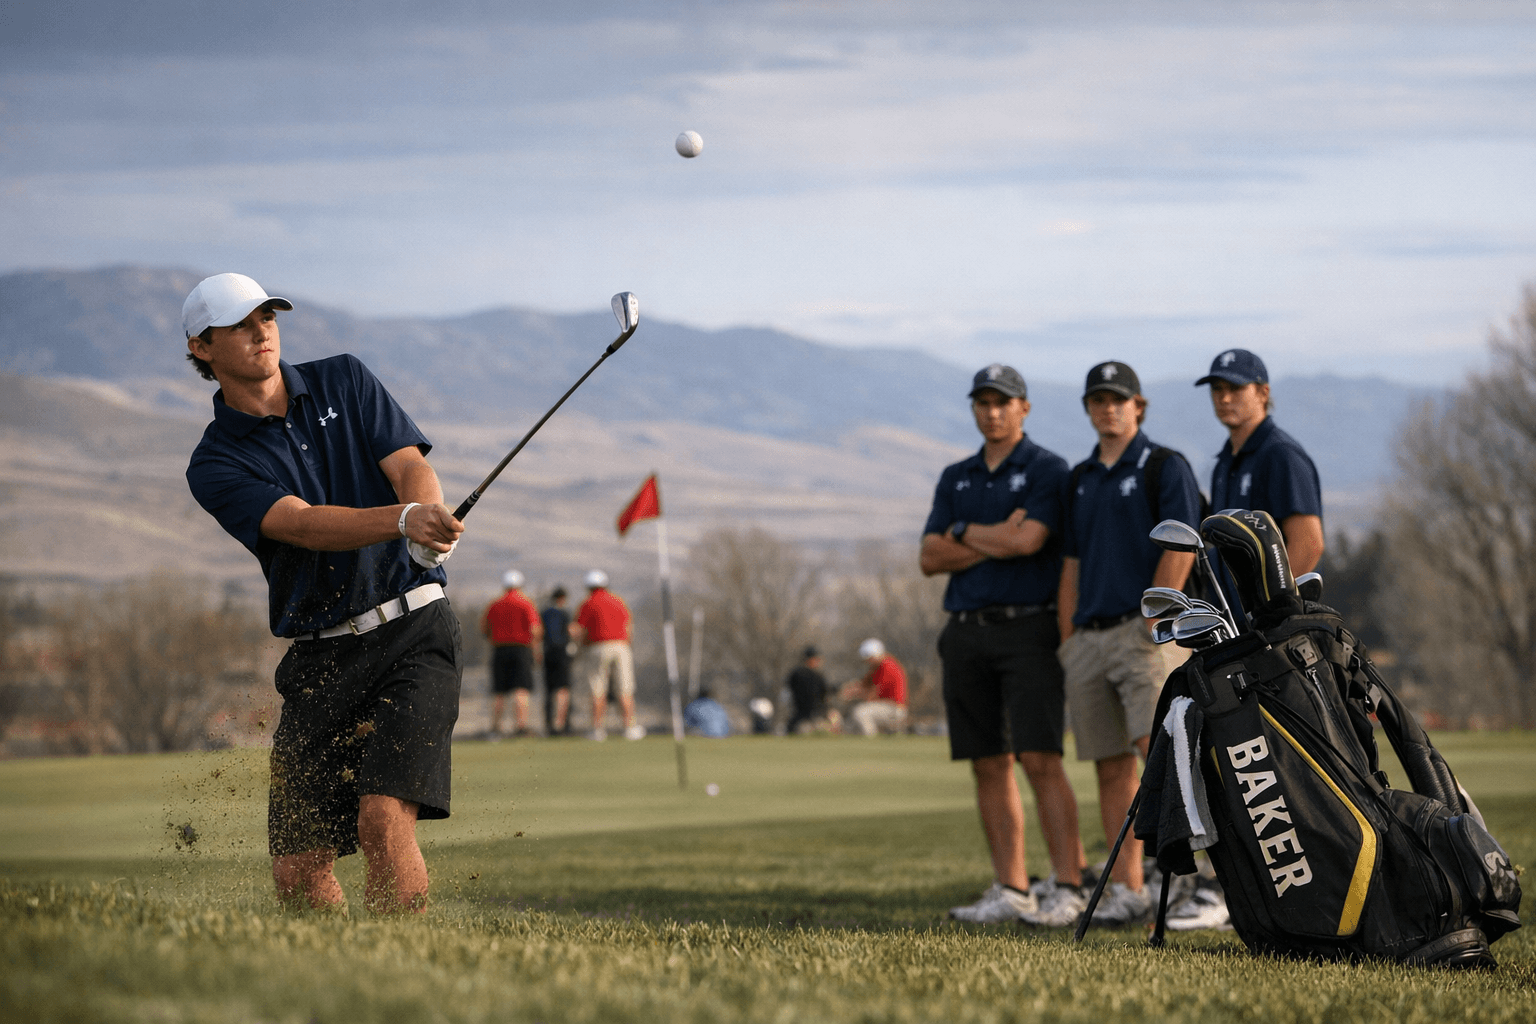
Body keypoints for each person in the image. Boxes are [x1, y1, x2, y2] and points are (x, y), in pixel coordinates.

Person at [182, 273, 463, 914]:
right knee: (297, 868)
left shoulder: (344, 377)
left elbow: (410, 464)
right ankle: (333, 985)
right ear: (202, 347)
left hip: (412, 632)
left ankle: (403, 980)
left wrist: (425, 512)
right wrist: (399, 522)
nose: (262, 332)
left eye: (269, 317)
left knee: (383, 819)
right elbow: (301, 524)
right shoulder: (215, 463)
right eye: (241, 324)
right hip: (320, 658)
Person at [920, 363, 1087, 926]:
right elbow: (929, 558)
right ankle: (1013, 889)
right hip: (966, 630)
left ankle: (1068, 884)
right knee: (986, 763)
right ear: (974, 409)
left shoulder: (1047, 470)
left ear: (1025, 408)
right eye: (983, 403)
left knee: (1040, 757)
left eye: (1003, 402)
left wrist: (964, 533)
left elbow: (1031, 540)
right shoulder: (956, 476)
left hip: (1029, 630)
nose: (993, 411)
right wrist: (989, 538)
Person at [1056, 360, 1203, 927]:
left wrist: (1156, 617)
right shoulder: (1080, 477)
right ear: (1089, 408)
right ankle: (1130, 890)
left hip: (1142, 636)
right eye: (1098, 399)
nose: (1107, 408)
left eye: (1118, 399)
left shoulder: (1163, 464)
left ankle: (1207, 885)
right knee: (1110, 768)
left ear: (1138, 406)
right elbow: (1071, 561)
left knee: (1166, 757)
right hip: (1088, 639)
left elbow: (1183, 543)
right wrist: (1067, 635)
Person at [1196, 348, 1325, 574]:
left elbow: (1308, 545)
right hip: (1230, 610)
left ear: (1263, 393)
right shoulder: (1224, 463)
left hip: (1265, 610)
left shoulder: (1281, 455)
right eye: (1217, 389)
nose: (1224, 398)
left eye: (1235, 388)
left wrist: (1273, 606)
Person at [573, 569, 643, 740]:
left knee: (598, 688)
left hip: (598, 647)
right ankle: (630, 728)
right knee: (624, 688)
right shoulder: (618, 601)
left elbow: (578, 630)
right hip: (621, 646)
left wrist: (580, 647)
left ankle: (597, 730)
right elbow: (629, 628)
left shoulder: (588, 603)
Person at [481, 569, 542, 737]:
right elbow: (535, 630)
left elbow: (485, 629)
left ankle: (495, 728)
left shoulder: (495, 604)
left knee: (498, 690)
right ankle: (520, 727)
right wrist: (535, 648)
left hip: (499, 649)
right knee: (521, 689)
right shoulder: (526, 603)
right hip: (521, 649)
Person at [840, 639, 908, 736]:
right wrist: (851, 688)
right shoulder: (877, 667)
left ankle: (872, 739)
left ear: (874, 655)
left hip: (895, 709)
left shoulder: (888, 666)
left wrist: (852, 694)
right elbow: (864, 684)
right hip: (886, 707)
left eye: (868, 658)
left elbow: (873, 695)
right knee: (855, 716)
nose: (867, 662)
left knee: (860, 712)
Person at [541, 586, 574, 735]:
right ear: (562, 598)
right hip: (562, 654)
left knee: (549, 690)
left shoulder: (544, 613)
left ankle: (549, 725)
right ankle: (560, 724)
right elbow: (571, 632)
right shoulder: (564, 613)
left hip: (547, 653)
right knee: (563, 689)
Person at [785, 645, 831, 733]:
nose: (818, 662)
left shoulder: (795, 674)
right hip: (808, 719)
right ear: (811, 659)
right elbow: (817, 696)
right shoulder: (814, 676)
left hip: (800, 717)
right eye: (816, 659)